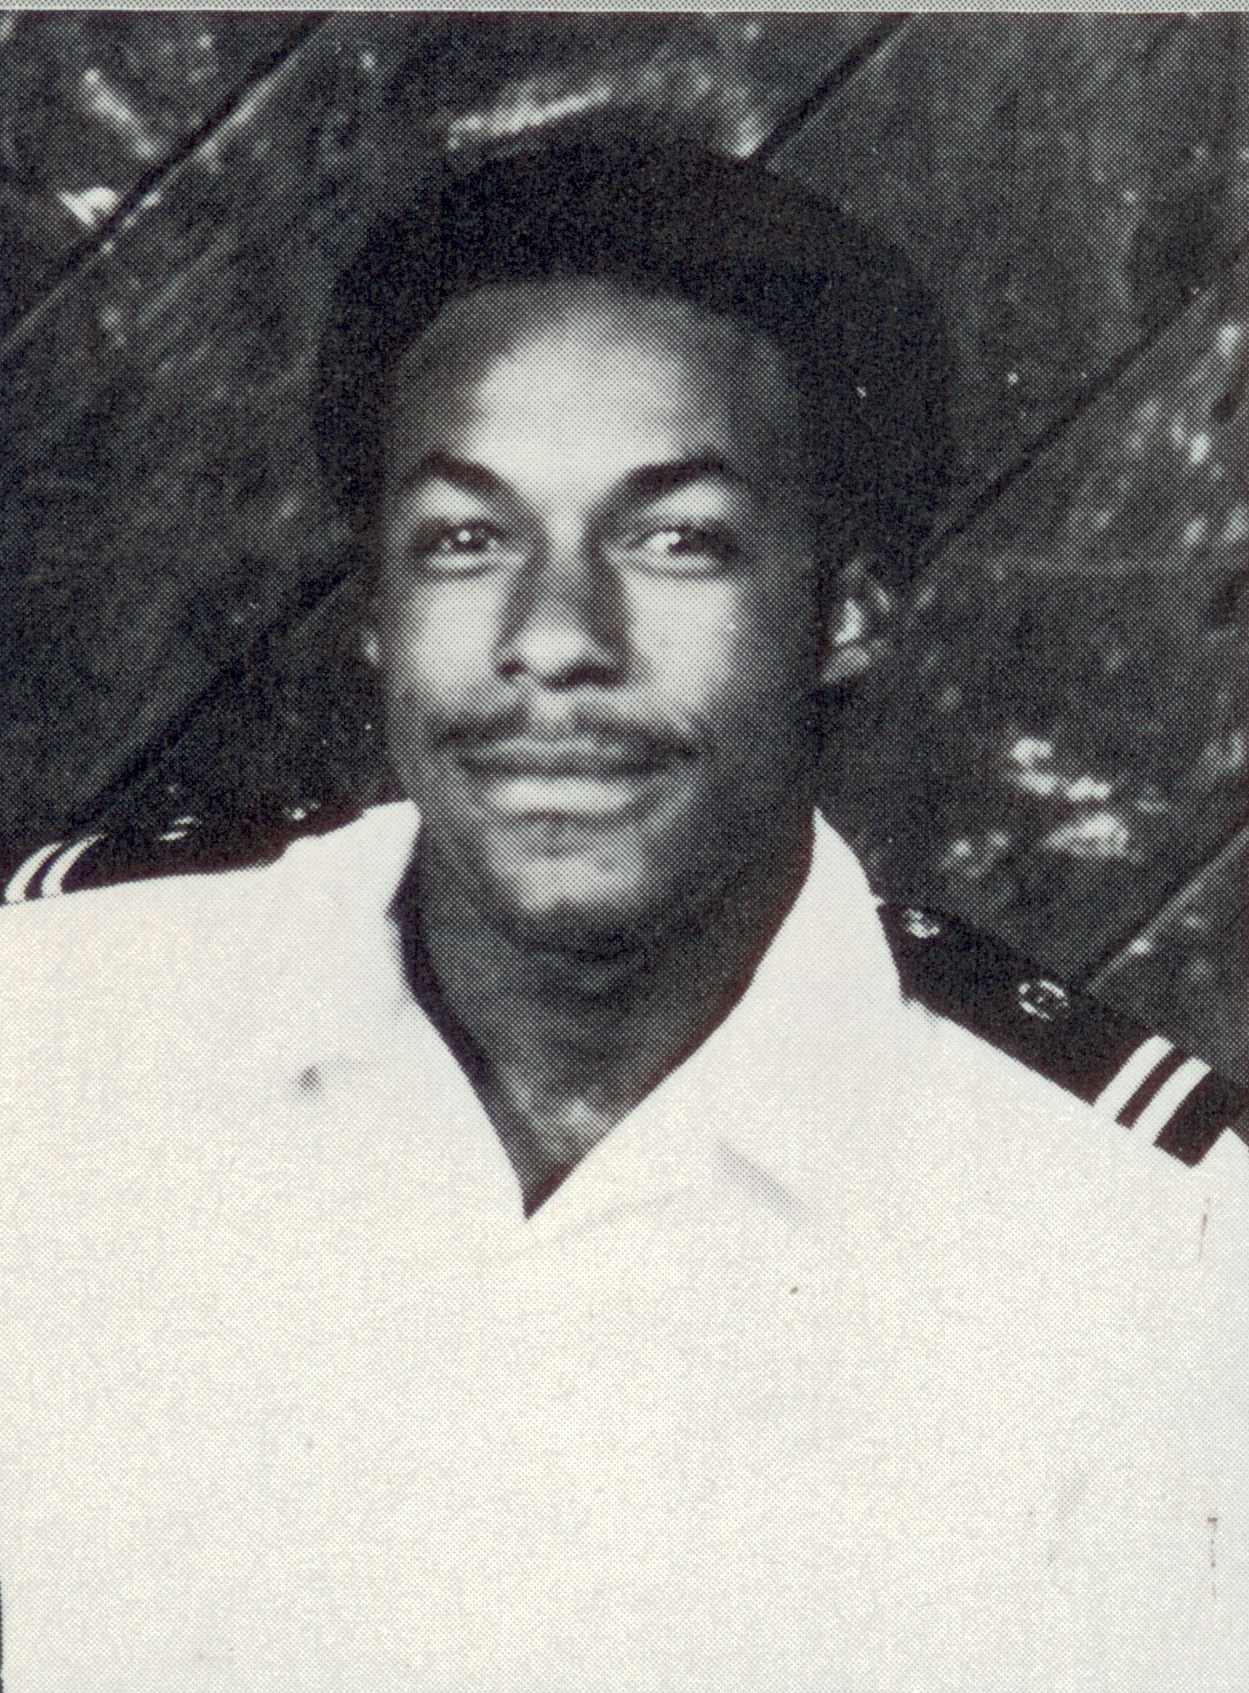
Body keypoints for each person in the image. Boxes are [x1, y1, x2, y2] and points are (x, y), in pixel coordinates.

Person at [0, 133, 1245, 1692]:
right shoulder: (51, 1028)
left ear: (845, 611)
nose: (554, 639)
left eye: (675, 540)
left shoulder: (1145, 1258)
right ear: (375, 611)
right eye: (466, 537)